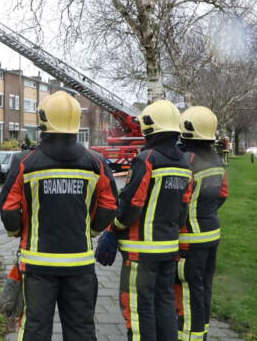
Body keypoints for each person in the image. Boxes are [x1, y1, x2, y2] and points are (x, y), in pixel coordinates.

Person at [0, 91, 119, 340]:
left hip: (37, 263)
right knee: (81, 329)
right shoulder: (96, 162)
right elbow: (109, 205)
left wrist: (16, 231)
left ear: (43, 121)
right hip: (80, 264)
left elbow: (9, 207)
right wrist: (93, 230)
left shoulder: (25, 162)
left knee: (36, 329)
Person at [95, 99, 193, 341]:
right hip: (168, 249)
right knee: (165, 306)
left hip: (141, 252)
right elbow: (183, 207)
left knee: (139, 311)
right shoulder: (184, 162)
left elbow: (132, 203)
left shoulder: (147, 158)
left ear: (149, 127)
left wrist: (113, 230)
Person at [176, 107, 229, 341]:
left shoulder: (188, 160)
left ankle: (190, 337)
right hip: (211, 235)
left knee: (189, 292)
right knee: (204, 290)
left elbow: (180, 200)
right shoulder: (216, 158)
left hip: (189, 239)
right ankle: (201, 334)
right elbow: (223, 193)